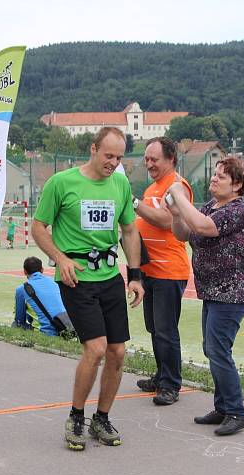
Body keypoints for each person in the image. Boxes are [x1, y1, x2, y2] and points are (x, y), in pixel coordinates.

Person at [33, 126, 144, 451]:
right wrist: (59, 258)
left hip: (110, 277)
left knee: (117, 352)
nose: (113, 163)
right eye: (108, 155)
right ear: (93, 149)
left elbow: (129, 230)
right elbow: (39, 227)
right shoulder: (62, 183)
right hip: (76, 278)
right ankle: (76, 416)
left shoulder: (120, 184)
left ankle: (102, 417)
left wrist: (135, 275)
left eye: (119, 157)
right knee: (95, 349)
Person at [166, 156, 244, 436]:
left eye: (222, 177)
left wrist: (180, 195)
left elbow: (204, 227)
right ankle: (223, 406)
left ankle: (236, 411)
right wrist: (177, 214)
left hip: (233, 292)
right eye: (214, 174)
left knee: (218, 350)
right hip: (213, 292)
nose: (214, 179)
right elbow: (183, 234)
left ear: (237, 185)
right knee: (212, 349)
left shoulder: (238, 210)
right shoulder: (211, 207)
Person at [134, 137, 193, 406]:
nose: (149, 164)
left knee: (166, 329)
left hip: (169, 270)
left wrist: (135, 205)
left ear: (171, 159)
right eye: (146, 159)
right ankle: (161, 376)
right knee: (154, 328)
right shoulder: (151, 189)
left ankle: (171, 385)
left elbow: (168, 222)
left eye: (154, 159)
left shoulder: (177, 187)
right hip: (150, 270)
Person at [13, 256, 68, 336]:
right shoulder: (54, 282)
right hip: (63, 327)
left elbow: (19, 320)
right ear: (42, 269)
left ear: (24, 271)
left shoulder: (21, 289)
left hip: (44, 331)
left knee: (15, 325)